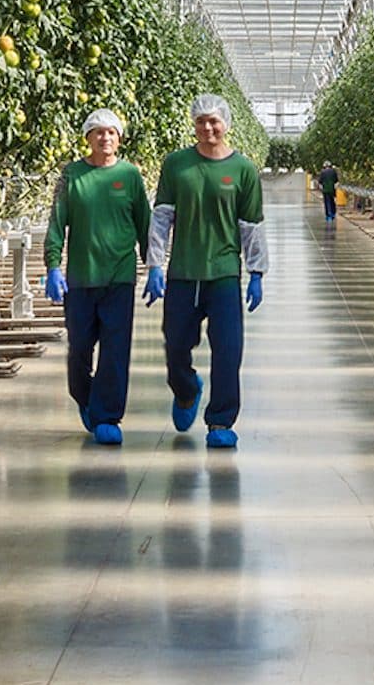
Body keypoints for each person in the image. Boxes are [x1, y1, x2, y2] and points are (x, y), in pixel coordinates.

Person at [144, 94, 267, 450]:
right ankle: (185, 390)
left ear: (226, 124)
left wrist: (257, 272)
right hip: (183, 273)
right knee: (175, 346)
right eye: (201, 122)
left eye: (214, 121)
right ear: (194, 125)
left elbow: (251, 225)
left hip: (225, 274)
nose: (208, 128)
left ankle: (221, 421)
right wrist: (155, 264)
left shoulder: (242, 169)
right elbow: (162, 216)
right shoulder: (176, 165)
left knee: (228, 351)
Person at [43, 109, 151, 445]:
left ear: (119, 138)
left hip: (119, 275)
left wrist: (156, 264)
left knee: (115, 350)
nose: (105, 138)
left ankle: (108, 416)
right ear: (87, 138)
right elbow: (57, 221)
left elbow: (144, 222)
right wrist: (52, 265)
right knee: (79, 349)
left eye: (111, 133)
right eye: (98, 132)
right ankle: (84, 396)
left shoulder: (130, 176)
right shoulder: (72, 175)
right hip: (81, 277)